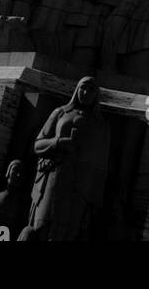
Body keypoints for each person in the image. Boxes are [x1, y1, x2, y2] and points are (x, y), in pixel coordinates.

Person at [18, 79, 111, 241]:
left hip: (81, 186)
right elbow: (38, 145)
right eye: (83, 88)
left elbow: (101, 168)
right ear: (77, 89)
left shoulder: (101, 126)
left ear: (96, 95)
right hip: (54, 176)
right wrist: (58, 142)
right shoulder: (60, 112)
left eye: (91, 90)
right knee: (41, 227)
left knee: (68, 233)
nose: (86, 93)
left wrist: (94, 202)